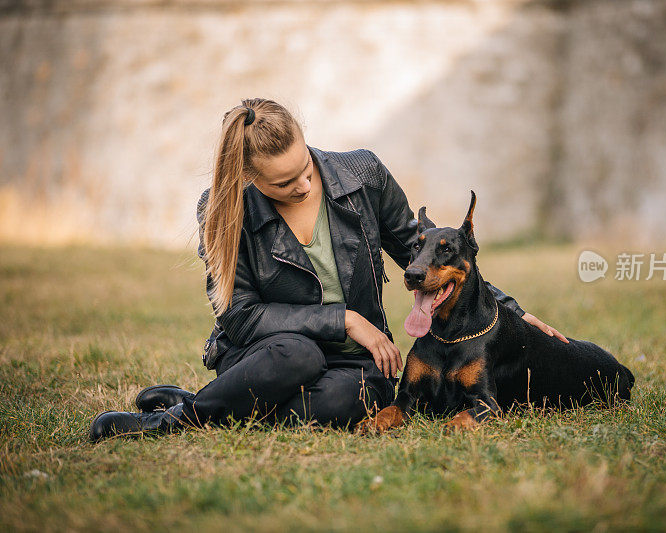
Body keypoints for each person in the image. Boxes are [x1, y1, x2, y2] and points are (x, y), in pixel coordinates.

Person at [88, 98, 568, 442]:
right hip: (268, 354)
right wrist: (342, 319)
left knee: (350, 403)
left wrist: (510, 311)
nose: (302, 185)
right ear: (250, 178)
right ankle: (180, 417)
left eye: (306, 170)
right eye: (283, 183)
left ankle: (222, 400)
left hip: (353, 367)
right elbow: (238, 316)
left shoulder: (363, 175)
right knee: (299, 355)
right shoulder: (221, 209)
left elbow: (419, 256)